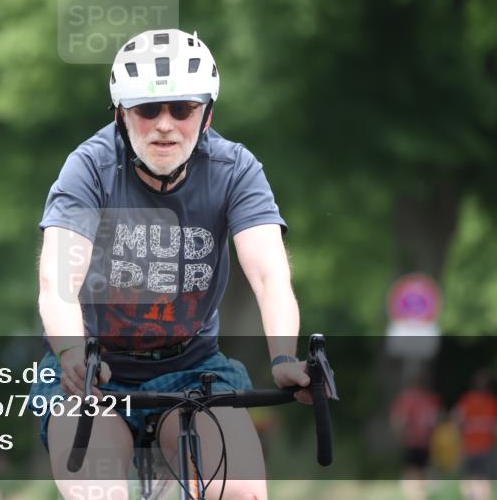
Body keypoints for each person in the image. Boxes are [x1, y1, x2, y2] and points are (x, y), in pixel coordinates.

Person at [30, 29, 308, 500]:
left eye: (182, 109)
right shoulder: (89, 168)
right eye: (147, 109)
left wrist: (283, 357)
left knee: (239, 493)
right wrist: (72, 355)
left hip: (194, 369)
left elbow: (269, 276)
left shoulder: (236, 169)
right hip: (94, 371)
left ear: (207, 114)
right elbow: (58, 282)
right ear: (121, 114)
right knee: (99, 492)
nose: (165, 124)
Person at [453, 369, 497, 500]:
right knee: (480, 481)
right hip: (479, 448)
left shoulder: (469, 400)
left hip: (477, 447)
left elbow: (456, 419)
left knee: (473, 481)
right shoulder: (489, 401)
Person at [390, 375, 442, 500]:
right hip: (425, 443)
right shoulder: (430, 400)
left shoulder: (407, 399)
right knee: (423, 474)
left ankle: (415, 495)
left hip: (412, 442)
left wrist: (400, 434)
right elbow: (434, 422)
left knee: (412, 474)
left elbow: (399, 420)